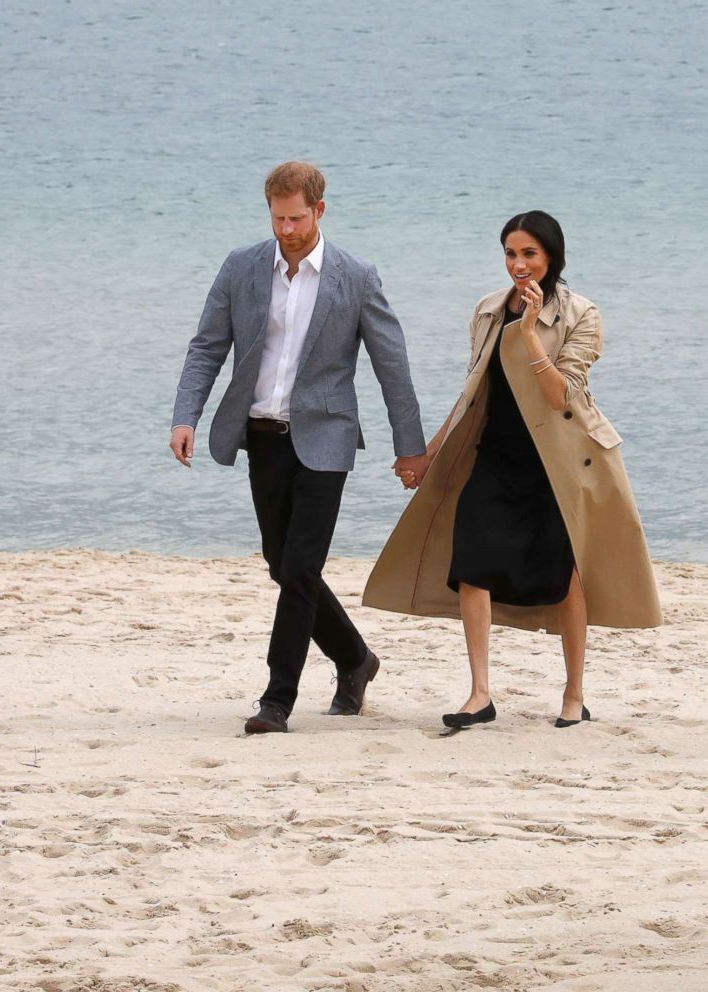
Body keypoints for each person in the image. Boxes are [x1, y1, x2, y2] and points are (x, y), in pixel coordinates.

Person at [365, 210, 661, 729]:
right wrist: (427, 453)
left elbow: (559, 395)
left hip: (558, 464)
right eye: (510, 253)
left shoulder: (582, 314)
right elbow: (473, 392)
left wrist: (527, 333)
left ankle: (574, 695)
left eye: (529, 254)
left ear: (551, 257)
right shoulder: (486, 309)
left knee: (566, 577)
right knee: (473, 566)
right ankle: (480, 693)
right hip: (495, 457)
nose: (518, 264)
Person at [170, 161, 428, 735]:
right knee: (282, 566)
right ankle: (356, 659)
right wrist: (185, 415)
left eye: (296, 218)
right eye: (277, 218)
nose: (286, 229)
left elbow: (393, 366)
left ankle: (276, 699)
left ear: (319, 210)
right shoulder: (241, 267)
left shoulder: (355, 276)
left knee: (302, 566)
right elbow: (207, 346)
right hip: (262, 435)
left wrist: (410, 448)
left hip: (327, 436)